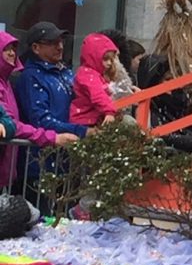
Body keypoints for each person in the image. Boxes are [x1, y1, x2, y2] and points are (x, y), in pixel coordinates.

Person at [0, 32, 77, 187]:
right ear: (35, 47)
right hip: (36, 164)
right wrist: (58, 136)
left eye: (13, 49)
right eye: (5, 49)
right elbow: (14, 123)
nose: (11, 53)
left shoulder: (6, 82)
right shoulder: (30, 78)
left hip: (12, 168)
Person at [136, 54, 192, 153]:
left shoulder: (184, 102)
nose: (175, 84)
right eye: (168, 79)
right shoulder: (147, 107)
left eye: (176, 78)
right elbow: (160, 136)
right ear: (153, 83)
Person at [69, 33, 120, 127]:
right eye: (105, 59)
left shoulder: (94, 74)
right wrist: (109, 111)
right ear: (93, 57)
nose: (109, 63)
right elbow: (97, 94)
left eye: (111, 59)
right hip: (85, 120)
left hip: (90, 118)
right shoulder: (88, 75)